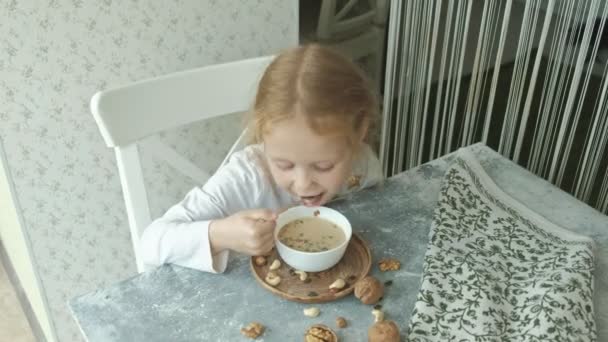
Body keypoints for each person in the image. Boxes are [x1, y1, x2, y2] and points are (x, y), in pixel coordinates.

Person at [140, 44, 383, 273]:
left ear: (359, 133)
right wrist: (221, 234)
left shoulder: (362, 163)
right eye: (284, 165)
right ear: (263, 137)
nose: (302, 184)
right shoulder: (246, 178)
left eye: (323, 166)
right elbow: (151, 244)